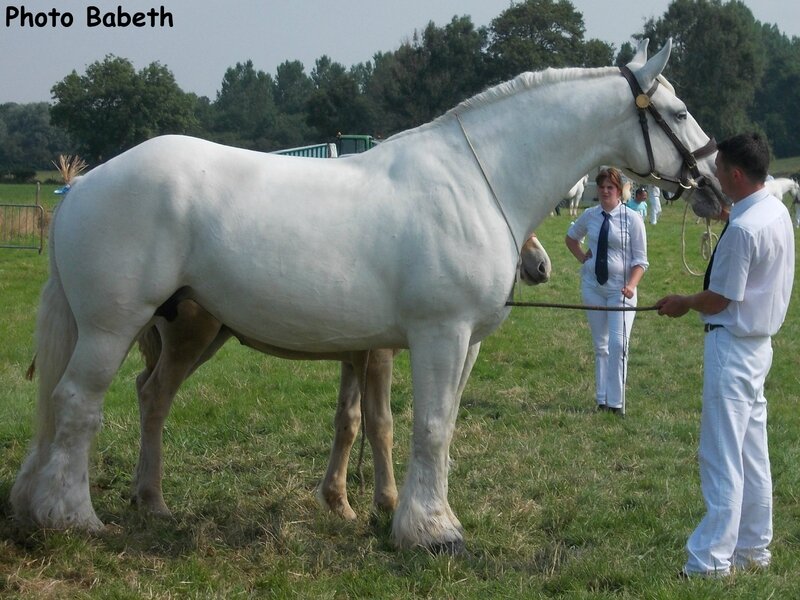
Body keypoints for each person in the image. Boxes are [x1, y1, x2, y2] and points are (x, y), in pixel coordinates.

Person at [655, 133, 794, 578]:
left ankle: (711, 560)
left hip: (732, 347)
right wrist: (727, 215)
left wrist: (682, 301)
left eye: (718, 171)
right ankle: (754, 548)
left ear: (735, 175)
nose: (713, 176)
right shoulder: (774, 210)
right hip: (759, 346)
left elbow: (719, 299)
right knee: (753, 453)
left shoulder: (743, 230)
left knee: (722, 457)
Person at [565, 167, 648, 415]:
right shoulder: (590, 215)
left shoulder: (632, 218)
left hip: (620, 292)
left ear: (619, 191)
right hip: (593, 287)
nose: (604, 191)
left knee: (618, 344)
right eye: (601, 187)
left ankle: (617, 402)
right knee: (600, 345)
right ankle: (602, 399)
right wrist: (583, 259)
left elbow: (641, 261)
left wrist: (631, 285)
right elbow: (571, 238)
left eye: (609, 187)